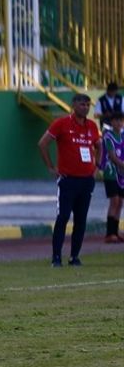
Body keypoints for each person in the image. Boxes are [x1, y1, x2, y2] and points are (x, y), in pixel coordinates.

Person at [37, 94, 101, 267]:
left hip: (86, 180)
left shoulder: (92, 126)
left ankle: (74, 257)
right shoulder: (62, 123)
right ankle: (56, 257)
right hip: (68, 180)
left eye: (88, 104)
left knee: (81, 220)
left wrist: (97, 168)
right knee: (63, 217)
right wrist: (51, 167)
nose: (85, 107)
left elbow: (99, 145)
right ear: (73, 105)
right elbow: (43, 143)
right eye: (82, 104)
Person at [99, 111, 124, 243]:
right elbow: (112, 156)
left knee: (120, 202)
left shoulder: (123, 136)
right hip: (111, 172)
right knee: (114, 200)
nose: (119, 123)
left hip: (121, 174)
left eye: (121, 120)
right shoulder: (108, 136)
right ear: (112, 122)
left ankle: (115, 231)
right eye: (116, 120)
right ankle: (109, 233)